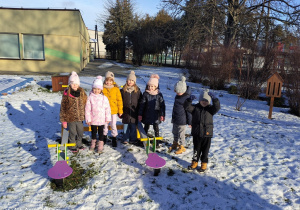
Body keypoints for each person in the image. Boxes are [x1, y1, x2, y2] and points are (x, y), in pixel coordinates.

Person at [184, 89, 220, 173]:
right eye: (202, 100)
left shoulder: (211, 109)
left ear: (209, 102)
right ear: (199, 100)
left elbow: (217, 107)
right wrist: (189, 100)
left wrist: (215, 99)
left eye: (206, 100)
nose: (204, 102)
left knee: (205, 150)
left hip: (207, 134)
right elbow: (187, 107)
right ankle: (194, 163)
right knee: (196, 149)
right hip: (197, 133)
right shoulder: (195, 108)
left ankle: (204, 164)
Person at [60, 71, 87, 152]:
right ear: (69, 84)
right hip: (70, 118)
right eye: (73, 83)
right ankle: (72, 145)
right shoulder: (66, 95)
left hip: (80, 118)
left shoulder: (82, 93)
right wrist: (64, 121)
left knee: (80, 132)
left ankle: (79, 144)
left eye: (76, 84)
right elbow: (63, 108)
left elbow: (86, 104)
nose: (75, 85)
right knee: (73, 132)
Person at [85, 76, 111, 153]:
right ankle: (93, 143)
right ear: (92, 88)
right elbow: (87, 109)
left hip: (101, 119)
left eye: (98, 89)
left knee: (101, 132)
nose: (96, 91)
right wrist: (88, 119)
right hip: (93, 119)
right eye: (95, 89)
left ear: (101, 90)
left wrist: (108, 118)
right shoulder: (90, 98)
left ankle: (100, 144)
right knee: (93, 132)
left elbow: (107, 109)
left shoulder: (104, 98)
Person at [169, 76, 192, 154]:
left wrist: (190, 122)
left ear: (184, 90)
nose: (177, 93)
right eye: (176, 91)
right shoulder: (177, 96)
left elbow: (189, 111)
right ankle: (175, 143)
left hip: (182, 120)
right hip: (175, 119)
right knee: (174, 132)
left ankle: (182, 146)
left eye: (179, 92)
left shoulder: (186, 99)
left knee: (181, 134)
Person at [138, 74, 165, 139]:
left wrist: (162, 114)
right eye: (149, 86)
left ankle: (157, 140)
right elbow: (142, 105)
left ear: (156, 86)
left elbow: (162, 105)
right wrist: (140, 114)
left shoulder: (159, 95)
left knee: (156, 127)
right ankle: (144, 139)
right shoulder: (145, 94)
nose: (150, 88)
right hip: (147, 114)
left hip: (156, 115)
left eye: (152, 86)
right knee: (146, 127)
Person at [120, 71, 142, 144]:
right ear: (127, 80)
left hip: (134, 112)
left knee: (133, 126)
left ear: (134, 82)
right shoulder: (123, 90)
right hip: (125, 111)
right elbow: (120, 101)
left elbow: (140, 101)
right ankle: (125, 138)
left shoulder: (137, 91)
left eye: (132, 80)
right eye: (129, 80)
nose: (130, 82)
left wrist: (139, 111)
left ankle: (133, 138)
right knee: (125, 126)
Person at [102, 71, 123, 147]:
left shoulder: (116, 89)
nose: (108, 83)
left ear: (113, 81)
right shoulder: (102, 89)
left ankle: (114, 137)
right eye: (107, 81)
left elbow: (119, 100)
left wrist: (120, 111)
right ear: (105, 81)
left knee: (113, 124)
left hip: (113, 111)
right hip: (104, 111)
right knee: (105, 124)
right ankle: (104, 137)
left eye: (110, 81)